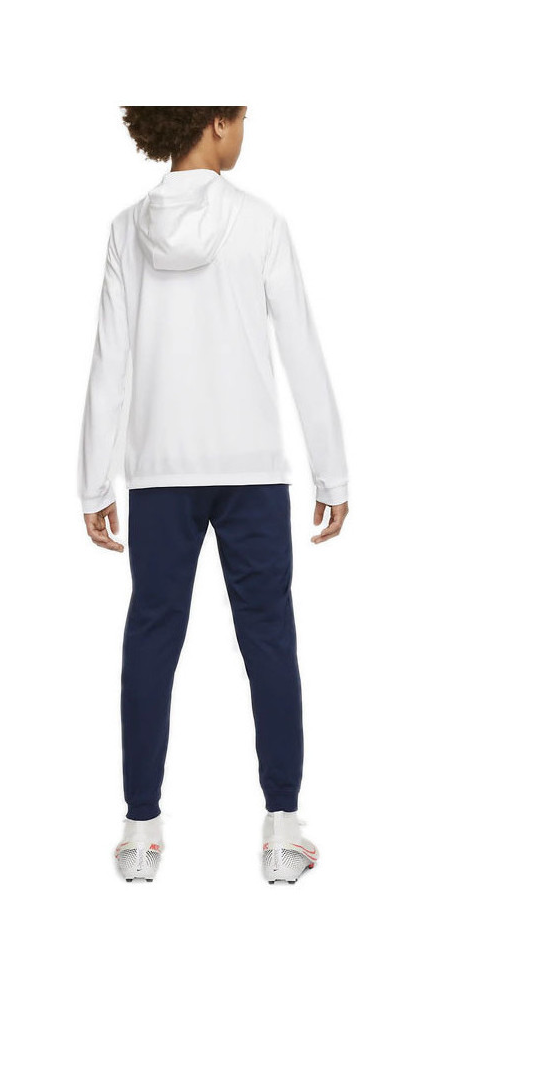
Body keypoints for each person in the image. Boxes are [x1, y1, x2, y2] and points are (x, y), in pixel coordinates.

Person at [78, 106, 349, 884]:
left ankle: (140, 833)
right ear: (218, 124)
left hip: (158, 472)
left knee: (151, 640)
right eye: (243, 117)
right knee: (269, 641)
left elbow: (109, 360)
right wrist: (331, 472)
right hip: (251, 469)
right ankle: (282, 830)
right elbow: (300, 346)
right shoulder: (259, 222)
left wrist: (94, 479)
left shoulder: (128, 230)